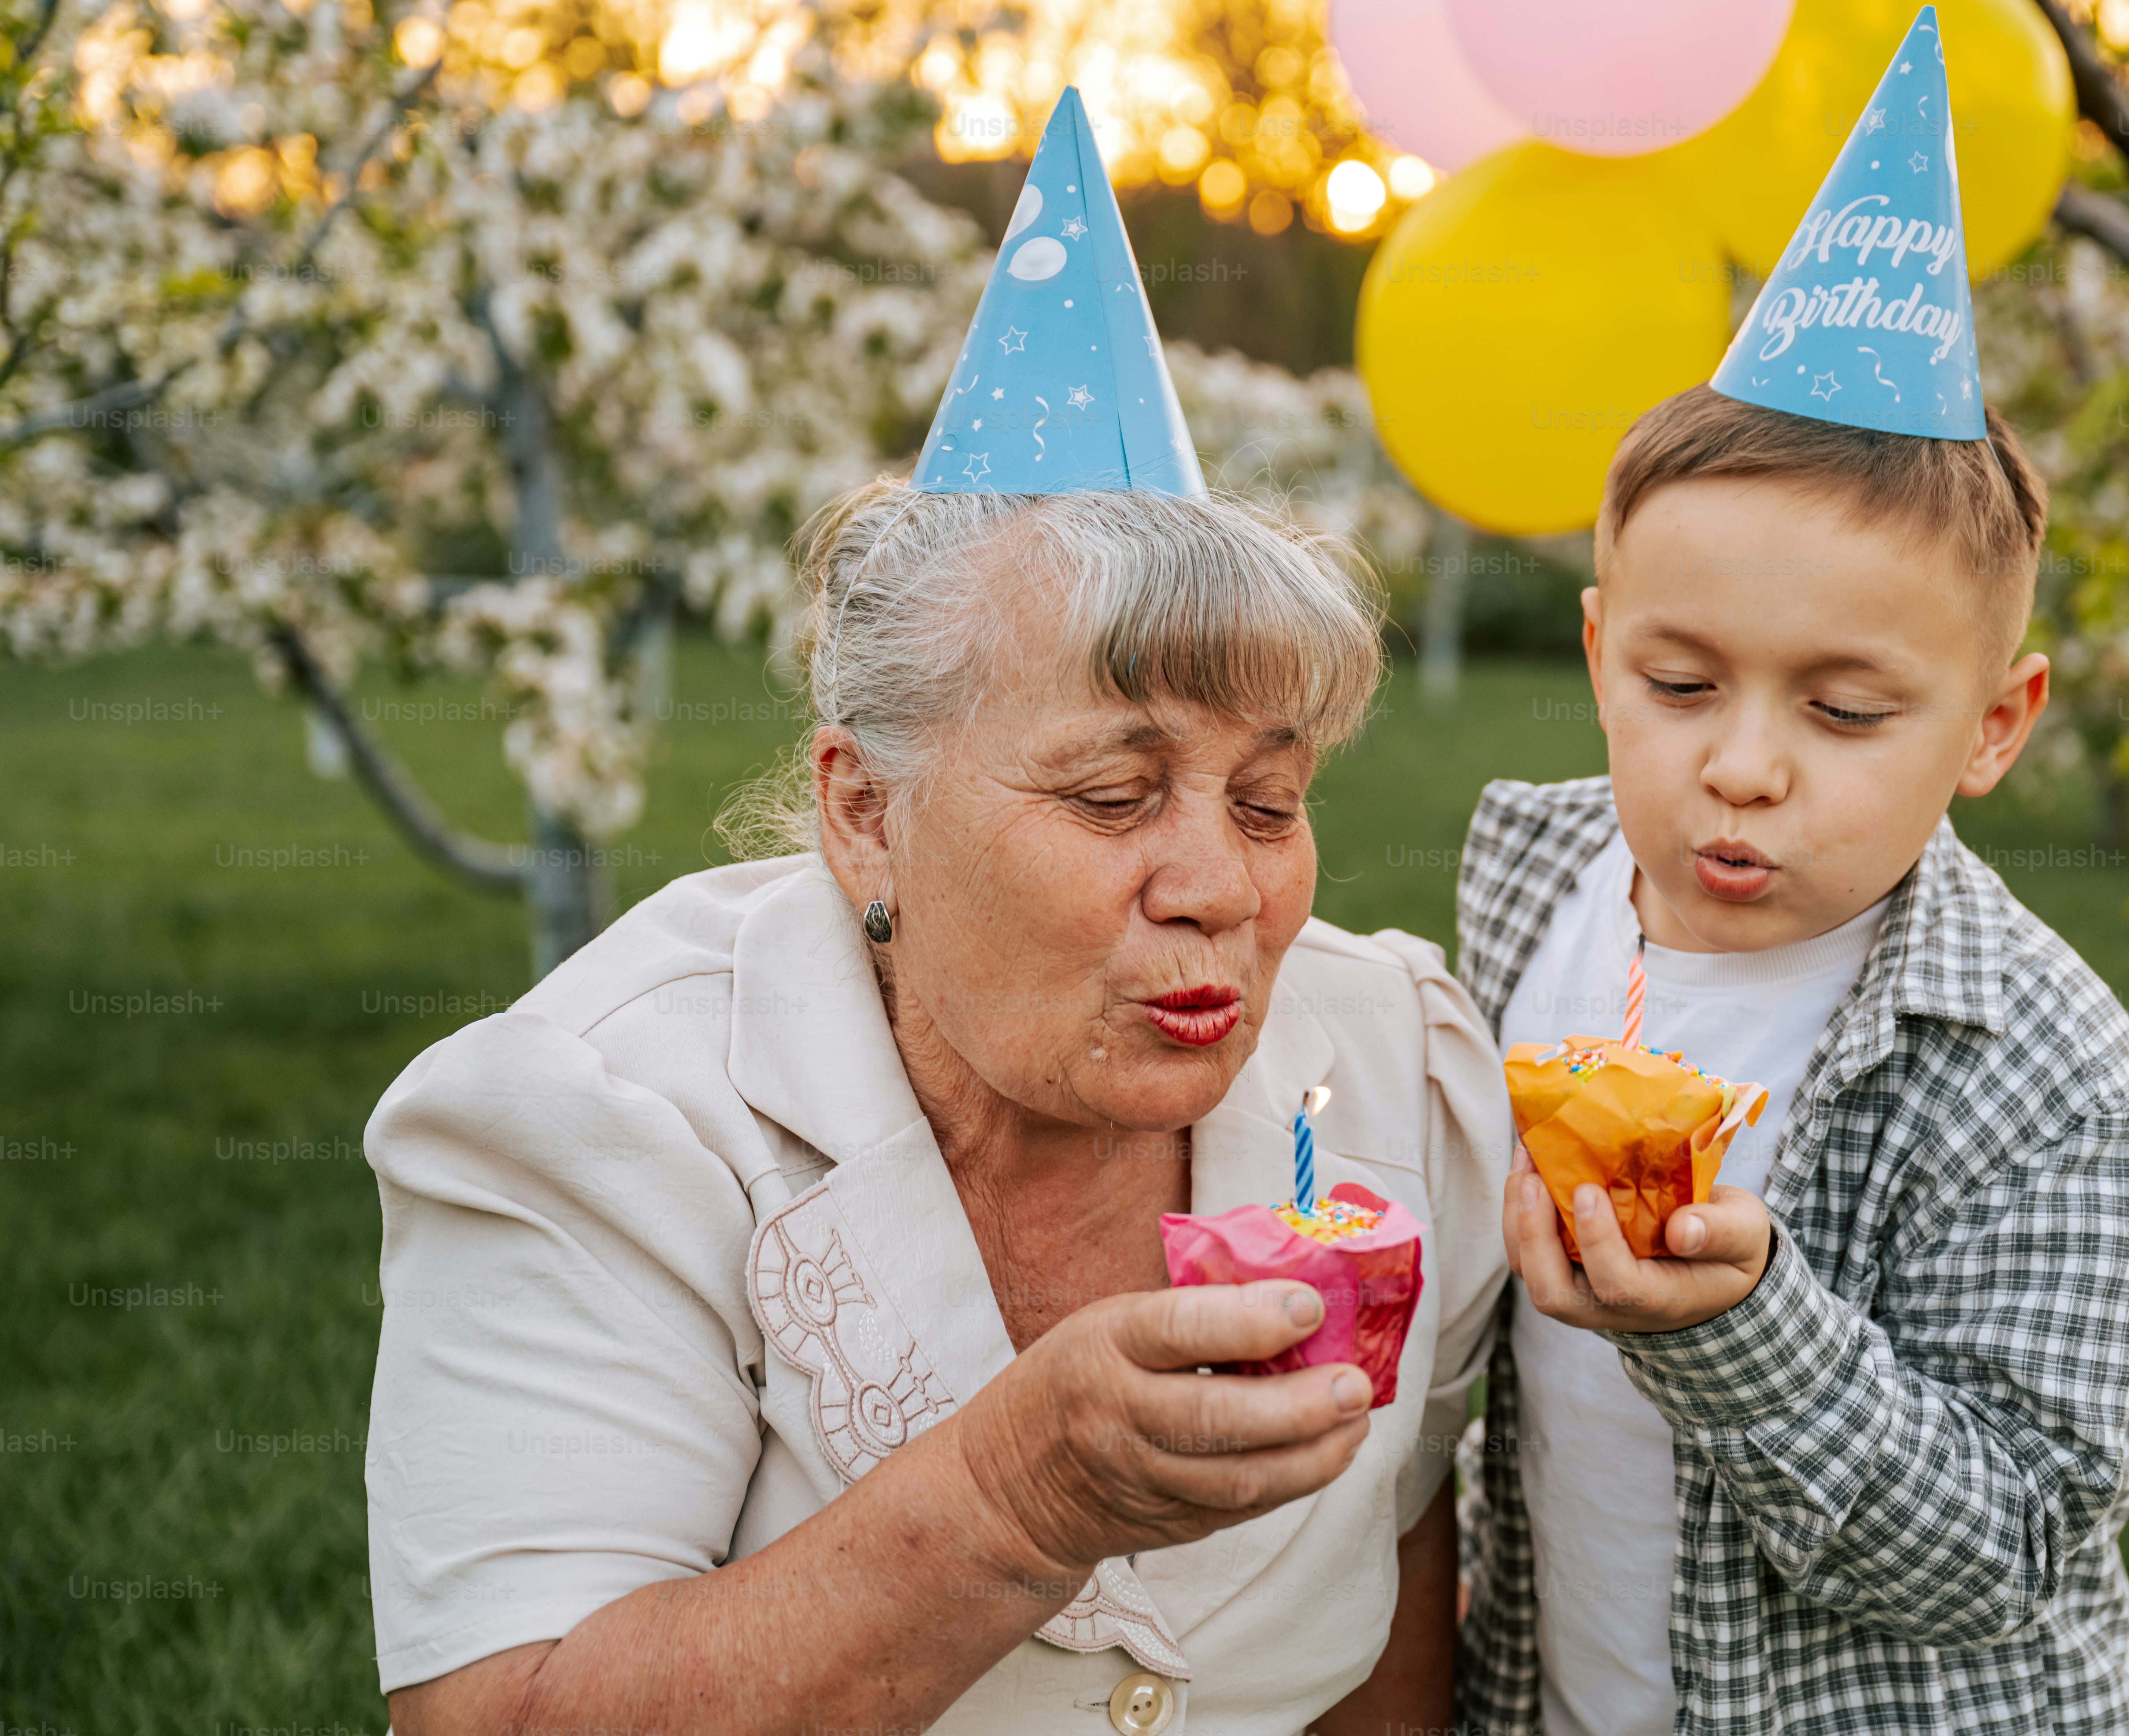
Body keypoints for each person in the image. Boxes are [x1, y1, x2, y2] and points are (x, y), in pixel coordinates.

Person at [364, 89, 1511, 1735]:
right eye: (1113, 796)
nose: (1219, 888)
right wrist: (1016, 1499)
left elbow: (1396, 1562)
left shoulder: (1398, 1066)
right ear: (862, 810)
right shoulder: (603, 1118)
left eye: (1270, 801)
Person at [1453, 9, 2129, 1736]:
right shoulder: (1527, 882)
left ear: (1995, 727)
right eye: (1679, 683)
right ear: (1596, 646)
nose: (1744, 762)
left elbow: (2008, 1542)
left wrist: (1741, 1331)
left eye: (1847, 710)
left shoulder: (2040, 1079)